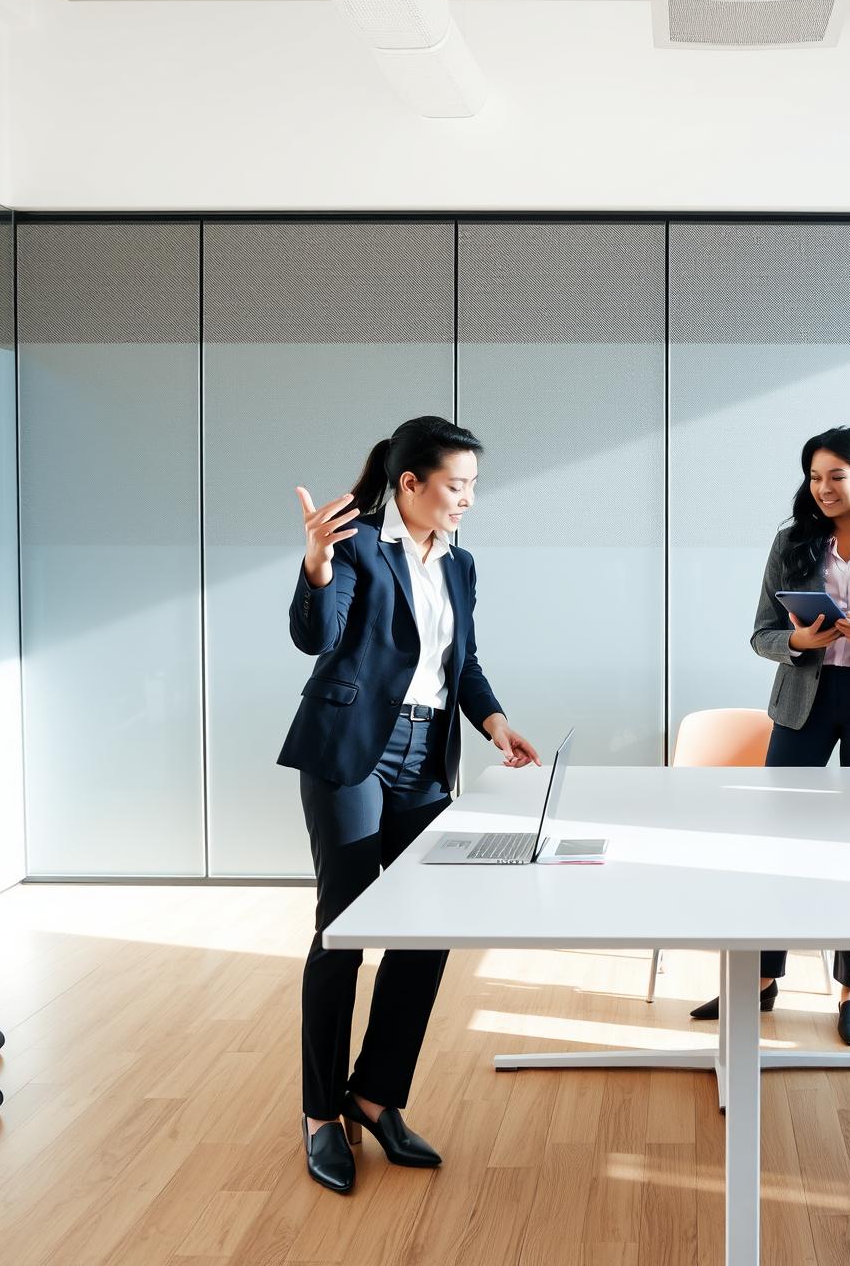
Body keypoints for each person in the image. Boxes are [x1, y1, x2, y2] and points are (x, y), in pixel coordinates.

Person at [279, 415, 540, 1195]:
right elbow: (314, 635)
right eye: (456, 486)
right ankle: (321, 1114)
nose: (466, 500)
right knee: (346, 927)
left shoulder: (458, 563)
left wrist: (495, 723)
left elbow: (464, 662)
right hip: (352, 753)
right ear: (410, 485)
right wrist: (316, 563)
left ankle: (374, 1094)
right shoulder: (356, 544)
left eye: (472, 487)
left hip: (427, 755)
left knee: (428, 927)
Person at [687, 426, 850, 1045]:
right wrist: (799, 641)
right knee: (777, 843)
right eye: (814, 476)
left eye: (837, 475)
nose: (824, 488)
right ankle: (758, 980)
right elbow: (762, 634)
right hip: (804, 699)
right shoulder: (792, 541)